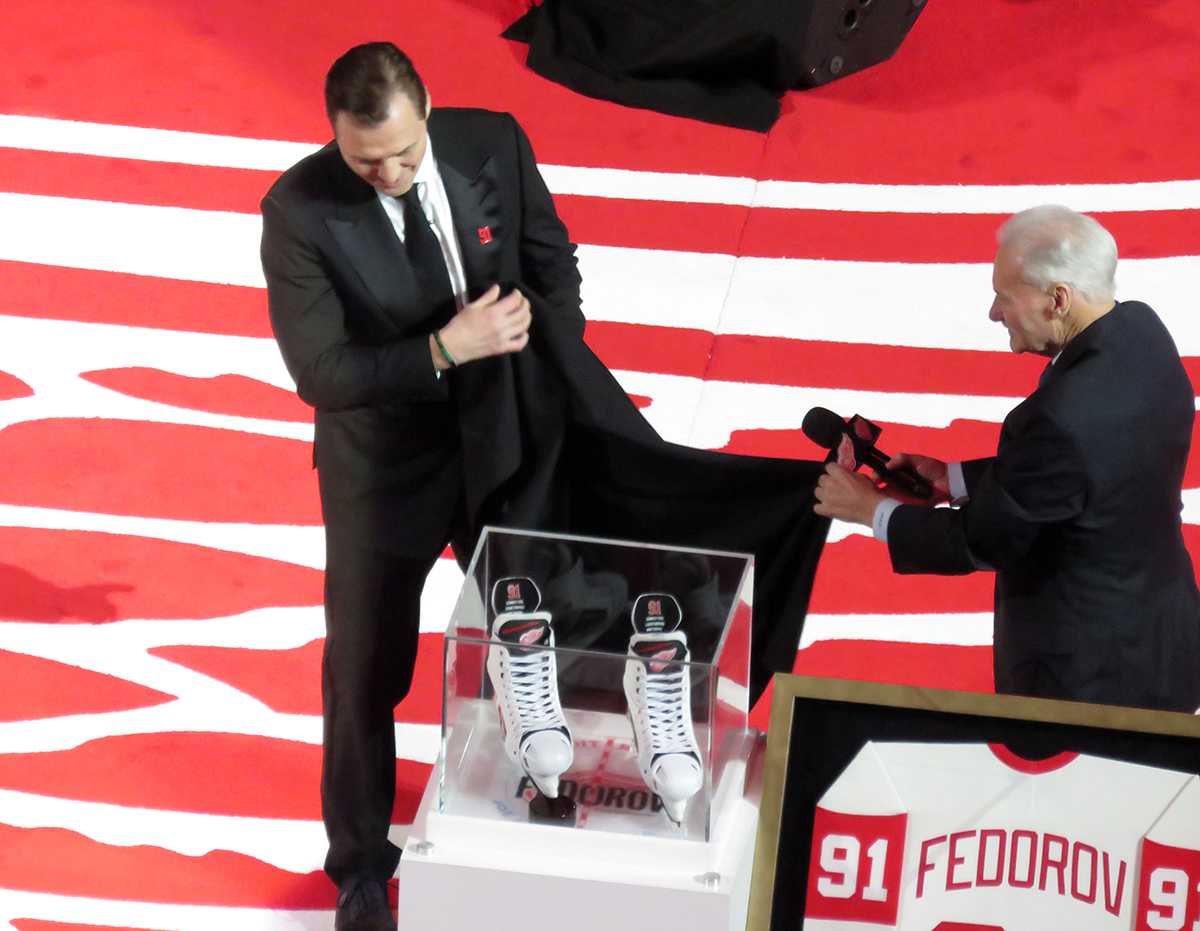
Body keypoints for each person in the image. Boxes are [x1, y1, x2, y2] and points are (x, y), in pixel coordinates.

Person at [262, 40, 830, 931]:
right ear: (335, 137)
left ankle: (565, 784)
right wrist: (449, 348)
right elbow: (323, 370)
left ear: (428, 111)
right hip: (384, 471)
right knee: (364, 671)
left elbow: (550, 258)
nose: (391, 175)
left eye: (405, 154)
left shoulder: (492, 142)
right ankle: (362, 867)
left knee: (558, 608)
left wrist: (548, 358)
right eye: (365, 159)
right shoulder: (299, 208)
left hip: (509, 433)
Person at [813, 205, 1200, 714]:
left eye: (1004, 297)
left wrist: (871, 510)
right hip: (1163, 631)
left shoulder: (1061, 417)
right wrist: (953, 479)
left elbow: (985, 538)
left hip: (1090, 675)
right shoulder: (1142, 332)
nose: (994, 314)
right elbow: (1090, 466)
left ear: (1057, 299)